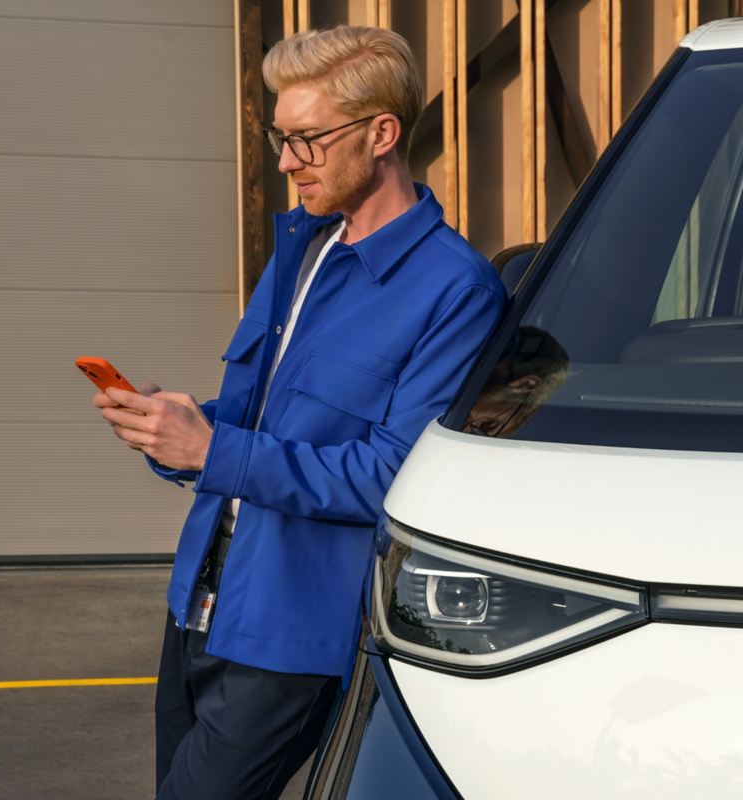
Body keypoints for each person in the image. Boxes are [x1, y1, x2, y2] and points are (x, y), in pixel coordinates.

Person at [92, 25, 506, 800]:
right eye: (280, 138)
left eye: (307, 141)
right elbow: (265, 419)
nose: (286, 163)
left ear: (382, 133)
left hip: (291, 631)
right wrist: (172, 427)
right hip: (200, 601)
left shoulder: (457, 291)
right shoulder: (304, 250)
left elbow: (396, 477)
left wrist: (210, 450)